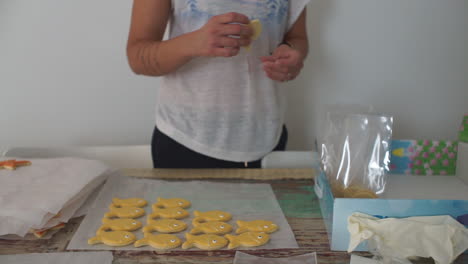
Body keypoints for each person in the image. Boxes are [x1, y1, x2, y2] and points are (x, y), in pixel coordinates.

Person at [127, 0, 310, 168]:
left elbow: (297, 38)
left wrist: (292, 54)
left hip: (268, 138)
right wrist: (194, 42)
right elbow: (138, 57)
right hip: (184, 139)